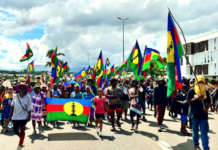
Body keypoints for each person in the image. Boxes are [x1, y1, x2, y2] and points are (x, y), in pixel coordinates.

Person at [187, 76, 211, 150]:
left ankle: (206, 148)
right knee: (195, 132)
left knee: (204, 133)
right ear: (196, 83)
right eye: (199, 82)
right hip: (194, 115)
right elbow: (188, 101)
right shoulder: (191, 91)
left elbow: (210, 102)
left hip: (203, 116)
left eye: (202, 82)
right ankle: (196, 145)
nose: (200, 84)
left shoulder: (206, 92)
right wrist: (197, 98)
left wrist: (207, 108)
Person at [9, 83, 32, 150]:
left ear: (25, 89)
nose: (21, 89)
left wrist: (29, 116)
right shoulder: (16, 96)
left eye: (23, 88)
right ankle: (21, 137)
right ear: (18, 89)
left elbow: (29, 107)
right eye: (20, 88)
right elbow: (13, 105)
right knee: (15, 130)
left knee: (22, 130)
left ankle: (20, 145)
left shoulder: (27, 97)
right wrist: (10, 115)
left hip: (24, 117)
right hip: (15, 116)